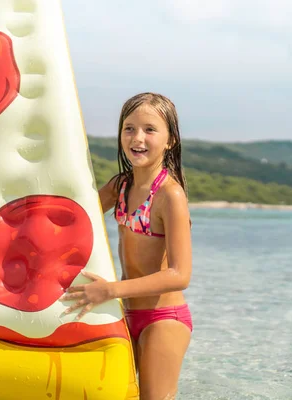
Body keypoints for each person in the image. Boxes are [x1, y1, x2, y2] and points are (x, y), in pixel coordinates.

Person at [62, 92, 193, 399]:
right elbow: (76, 220)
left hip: (163, 319)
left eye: (150, 129)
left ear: (170, 140)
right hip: (125, 315)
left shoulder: (170, 196)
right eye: (129, 128)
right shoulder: (121, 186)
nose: (138, 137)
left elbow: (180, 275)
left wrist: (109, 290)